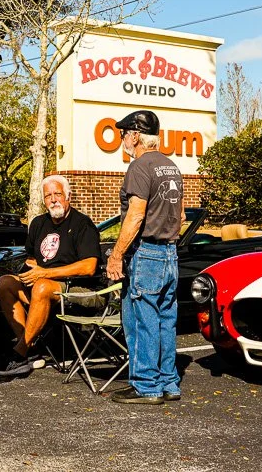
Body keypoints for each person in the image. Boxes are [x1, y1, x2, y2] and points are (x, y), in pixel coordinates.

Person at [105, 110, 184, 405]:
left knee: (142, 320)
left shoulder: (139, 167)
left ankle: (146, 385)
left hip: (147, 252)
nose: (123, 141)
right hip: (170, 253)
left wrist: (116, 255)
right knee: (165, 319)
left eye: (124, 135)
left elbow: (136, 215)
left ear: (136, 135)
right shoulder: (171, 167)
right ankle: (169, 382)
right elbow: (181, 215)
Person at [0, 174, 100, 377]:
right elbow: (32, 258)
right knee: (4, 283)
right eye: (48, 196)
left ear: (68, 196)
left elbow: (89, 266)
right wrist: (30, 270)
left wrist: (46, 273)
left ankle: (19, 353)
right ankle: (30, 349)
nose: (53, 199)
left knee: (42, 286)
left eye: (57, 194)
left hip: (78, 288)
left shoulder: (82, 224)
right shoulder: (38, 223)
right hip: (43, 283)